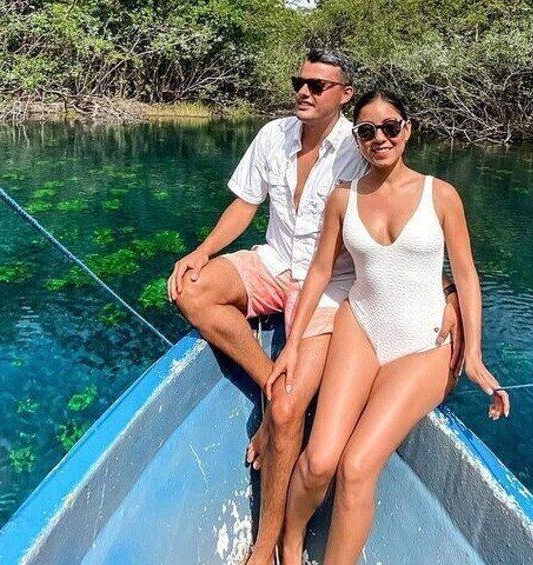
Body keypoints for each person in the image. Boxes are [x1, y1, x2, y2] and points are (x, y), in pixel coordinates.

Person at [168, 50, 465, 565]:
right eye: (299, 82)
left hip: (331, 287)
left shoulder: (363, 144)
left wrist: (451, 294)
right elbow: (245, 204)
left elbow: (401, 235)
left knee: (288, 413)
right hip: (274, 262)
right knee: (190, 289)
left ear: (344, 95)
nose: (304, 92)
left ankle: (264, 547)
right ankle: (270, 382)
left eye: (318, 85)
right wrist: (203, 251)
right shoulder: (273, 135)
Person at [266, 90, 510, 565]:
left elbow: (465, 276)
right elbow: (320, 272)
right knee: (319, 462)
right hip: (361, 326)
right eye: (366, 131)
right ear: (356, 139)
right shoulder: (343, 198)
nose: (379, 138)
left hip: (423, 345)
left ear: (407, 129)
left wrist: (474, 356)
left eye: (390, 127)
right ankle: (289, 546)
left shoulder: (441, 195)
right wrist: (293, 344)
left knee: (357, 466)